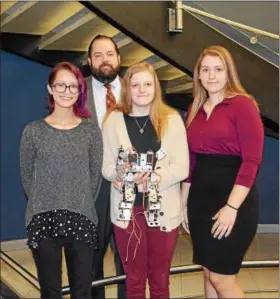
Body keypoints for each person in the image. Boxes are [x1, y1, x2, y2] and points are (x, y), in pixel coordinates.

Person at [181, 45, 264, 298]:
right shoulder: (194, 110)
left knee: (221, 277)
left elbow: (251, 161)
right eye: (205, 70)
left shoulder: (243, 105)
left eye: (218, 69)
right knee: (208, 271)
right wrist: (183, 203)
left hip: (233, 201)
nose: (211, 75)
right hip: (200, 203)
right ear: (198, 75)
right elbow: (191, 162)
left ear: (229, 72)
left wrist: (231, 208)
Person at [102, 61, 189, 299]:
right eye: (135, 84)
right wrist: (120, 174)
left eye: (147, 84)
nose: (141, 90)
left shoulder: (171, 119)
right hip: (127, 211)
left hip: (163, 210)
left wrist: (155, 178)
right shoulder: (113, 120)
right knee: (135, 281)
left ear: (156, 87)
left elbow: (182, 167)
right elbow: (106, 167)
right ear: (127, 88)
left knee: (160, 281)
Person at [20, 61, 103, 299]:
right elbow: (27, 178)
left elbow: (94, 178)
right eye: (61, 85)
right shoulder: (33, 131)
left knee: (82, 292)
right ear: (50, 89)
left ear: (79, 91)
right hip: (43, 219)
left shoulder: (90, 132)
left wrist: (76, 200)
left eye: (73, 86)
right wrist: (46, 200)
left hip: (82, 218)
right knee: (50, 292)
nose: (67, 91)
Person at [86, 34, 125, 299]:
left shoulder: (138, 88)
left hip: (130, 185)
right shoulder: (76, 93)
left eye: (109, 54)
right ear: (89, 61)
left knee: (128, 256)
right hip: (93, 187)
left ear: (119, 58)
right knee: (91, 255)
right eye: (98, 55)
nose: (104, 61)